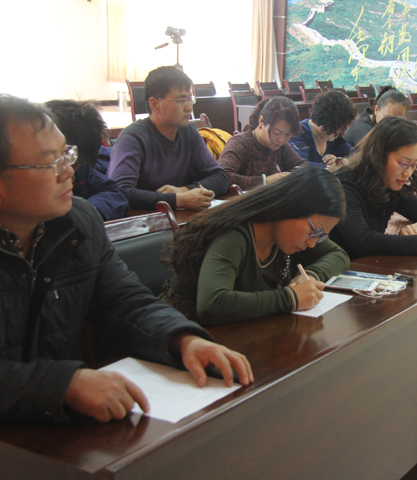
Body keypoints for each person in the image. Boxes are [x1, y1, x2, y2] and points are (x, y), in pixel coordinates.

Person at [0, 94, 252, 424]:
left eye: (67, 155)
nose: (70, 172)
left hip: (51, 427)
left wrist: (182, 339)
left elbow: (125, 301)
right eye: (51, 163)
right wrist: (62, 384)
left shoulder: (78, 222)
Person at [160, 167, 350, 325]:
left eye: (321, 236)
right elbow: (212, 304)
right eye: (315, 231)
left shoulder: (283, 234)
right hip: (185, 334)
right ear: (292, 207)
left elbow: (338, 254)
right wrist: (290, 298)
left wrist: (309, 276)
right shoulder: (234, 234)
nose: (313, 243)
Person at [330, 116, 417, 261]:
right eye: (403, 163)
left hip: (370, 265)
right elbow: (363, 241)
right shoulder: (344, 185)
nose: (408, 173)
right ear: (379, 155)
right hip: (340, 268)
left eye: (414, 165)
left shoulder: (389, 183)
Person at [108, 66, 228, 211]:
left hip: (179, 217)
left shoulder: (188, 131)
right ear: (155, 104)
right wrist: (178, 200)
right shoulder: (133, 137)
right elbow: (120, 192)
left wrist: (184, 190)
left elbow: (220, 177)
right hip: (143, 220)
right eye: (181, 100)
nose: (189, 108)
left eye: (190, 99)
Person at [45, 99, 129, 221]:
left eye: (76, 164)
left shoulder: (81, 165)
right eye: (63, 157)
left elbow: (115, 193)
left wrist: (85, 213)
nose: (69, 172)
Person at [217, 97, 307, 190]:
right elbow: (223, 177)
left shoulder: (281, 146)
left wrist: (290, 175)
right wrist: (266, 181)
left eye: (288, 134)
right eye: (276, 132)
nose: (281, 139)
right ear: (261, 121)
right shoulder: (240, 143)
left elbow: (303, 165)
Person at [288, 90, 357, 169]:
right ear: (326, 122)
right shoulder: (297, 134)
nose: (338, 135)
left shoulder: (334, 138)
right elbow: (300, 165)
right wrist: (330, 167)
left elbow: (356, 156)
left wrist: (342, 161)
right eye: (336, 130)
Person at [344, 87, 408, 147]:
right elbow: (376, 154)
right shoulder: (362, 129)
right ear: (376, 110)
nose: (393, 124)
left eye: (398, 119)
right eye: (388, 118)